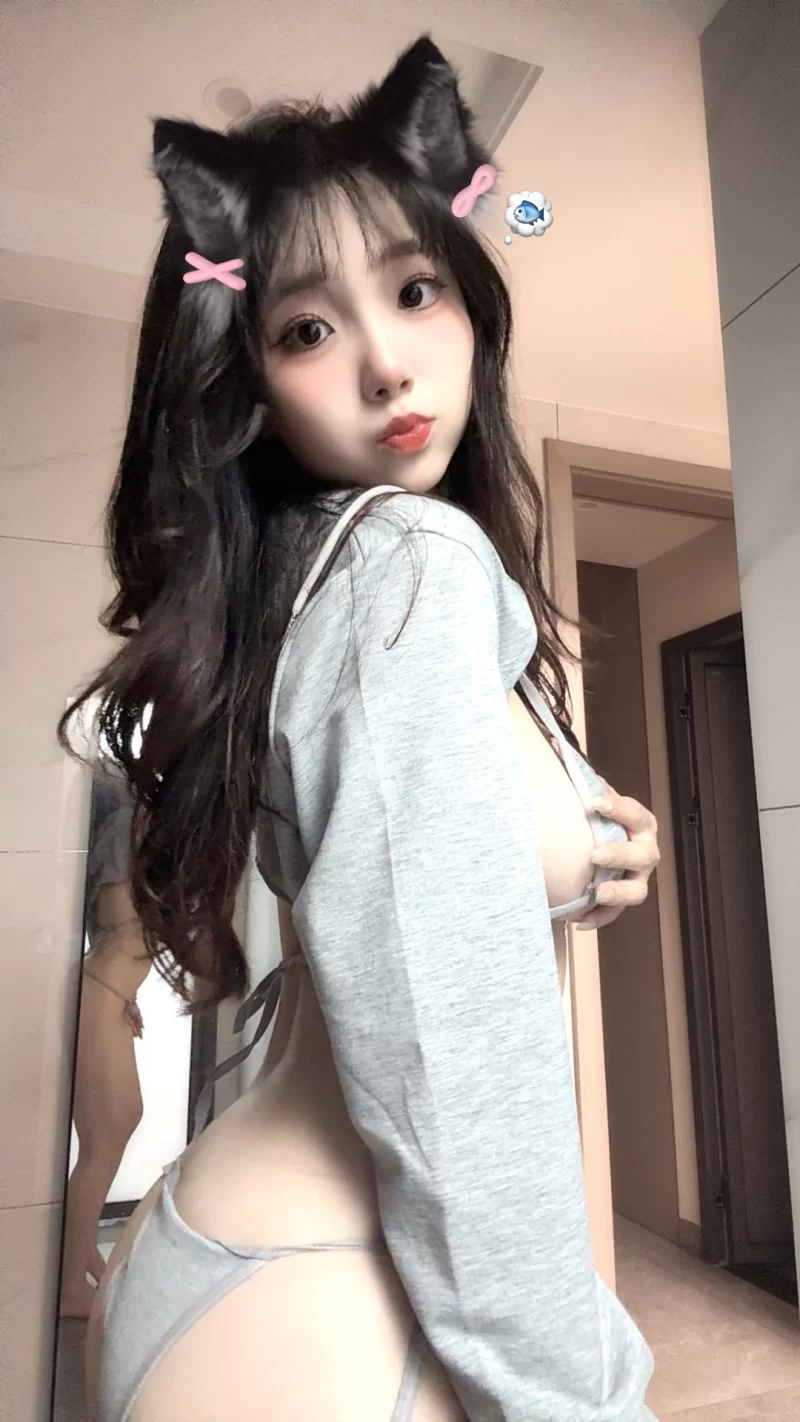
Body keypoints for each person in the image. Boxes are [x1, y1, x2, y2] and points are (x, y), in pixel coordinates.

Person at [59, 34, 661, 1422]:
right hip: (329, 1305)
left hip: (260, 1258)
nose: (387, 363)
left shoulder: (322, 576)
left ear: (468, 303)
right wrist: (578, 1395)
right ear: (249, 379)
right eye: (306, 329)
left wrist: (585, 846)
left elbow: (406, 883)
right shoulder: (407, 563)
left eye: (413, 289)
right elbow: (450, 1055)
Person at [59, 775, 150, 1318]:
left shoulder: (131, 827)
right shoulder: (130, 826)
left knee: (115, 1125)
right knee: (105, 1137)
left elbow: (116, 929)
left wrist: (129, 994)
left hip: (108, 994)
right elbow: (119, 927)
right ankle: (70, 1282)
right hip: (99, 992)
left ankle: (80, 1252)